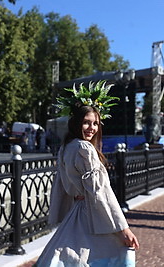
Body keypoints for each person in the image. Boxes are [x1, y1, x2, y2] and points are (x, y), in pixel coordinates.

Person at [36, 81, 139, 266]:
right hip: (91, 215)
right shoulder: (84, 148)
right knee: (115, 253)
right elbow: (100, 191)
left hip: (76, 213)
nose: (92, 128)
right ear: (76, 123)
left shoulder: (66, 148)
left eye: (96, 124)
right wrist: (123, 228)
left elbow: (61, 186)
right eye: (86, 122)